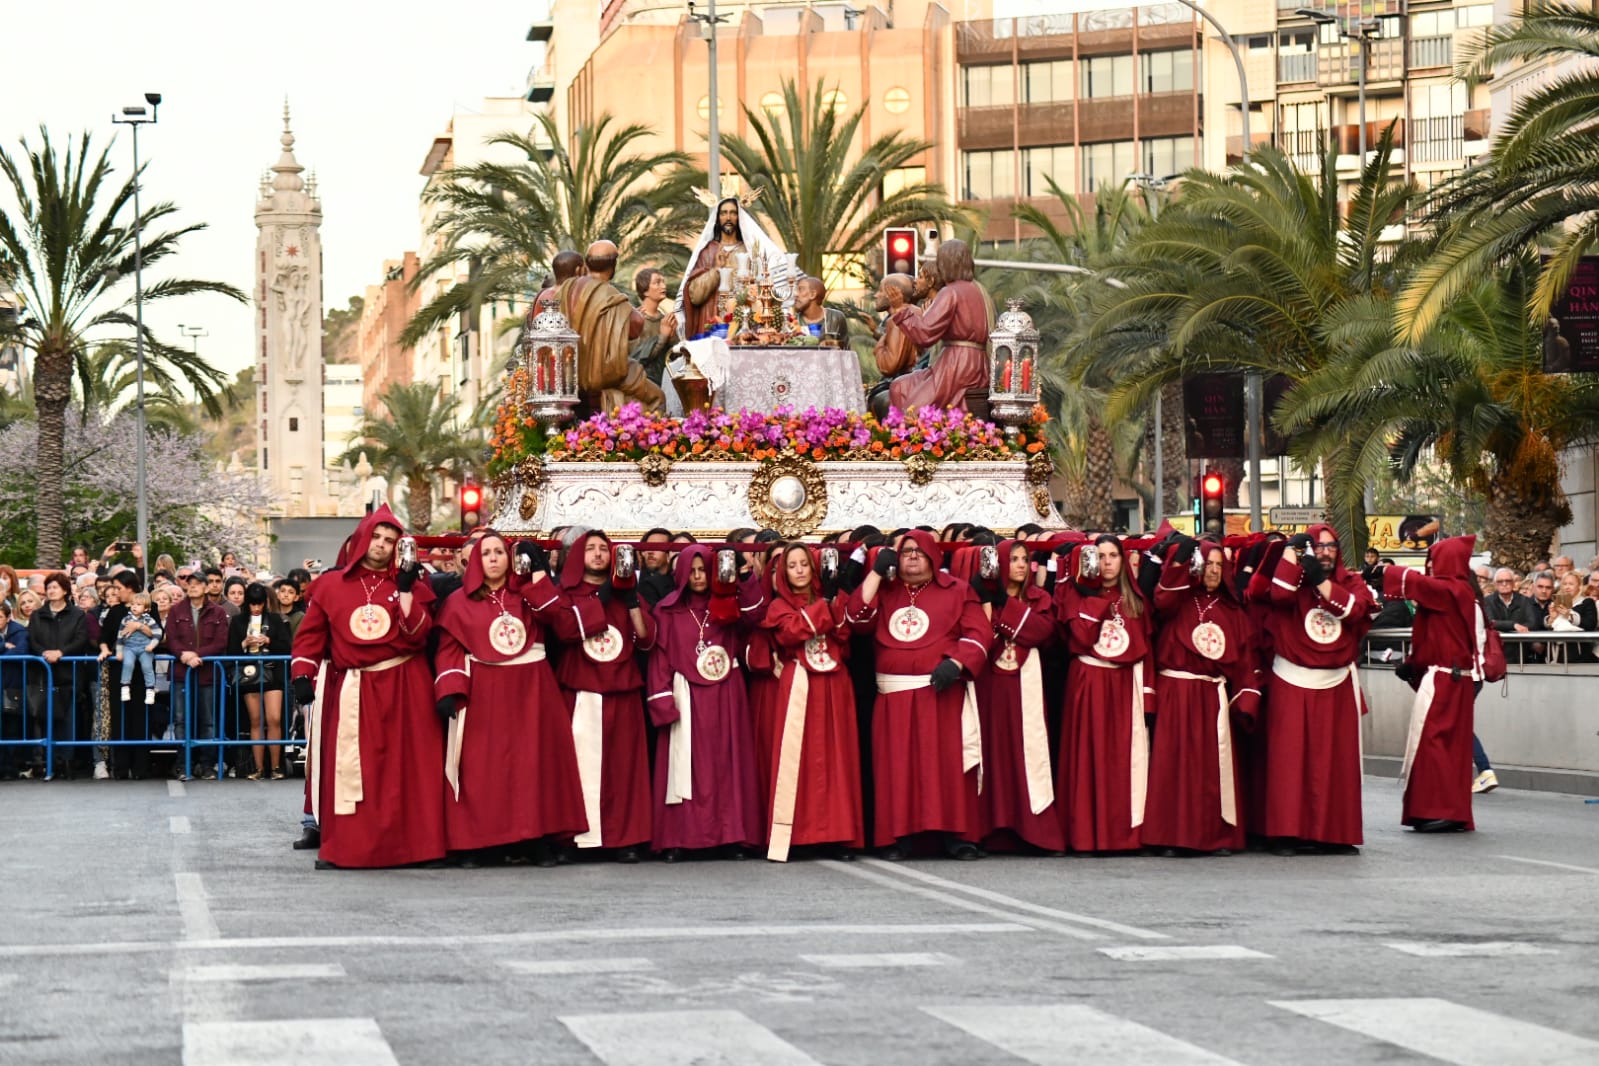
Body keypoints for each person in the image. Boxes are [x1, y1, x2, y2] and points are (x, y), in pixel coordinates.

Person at [289, 506, 445, 869]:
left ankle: (414, 848)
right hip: (354, 688)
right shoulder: (330, 585)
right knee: (353, 770)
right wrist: (302, 675)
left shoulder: (412, 587)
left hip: (405, 685)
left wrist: (406, 591)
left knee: (406, 772)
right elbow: (310, 637)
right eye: (376, 537)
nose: (381, 545)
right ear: (362, 539)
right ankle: (350, 846)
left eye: (390, 541)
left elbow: (417, 635)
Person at [432, 532, 600, 864]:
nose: (493, 558)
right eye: (486, 553)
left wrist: (539, 574)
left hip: (531, 689)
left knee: (533, 765)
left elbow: (556, 618)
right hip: (484, 691)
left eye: (499, 552)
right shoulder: (458, 602)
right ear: (475, 562)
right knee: (484, 769)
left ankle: (535, 838)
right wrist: (450, 689)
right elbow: (449, 649)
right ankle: (484, 842)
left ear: (509, 559)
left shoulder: (527, 594)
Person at [847, 529, 992, 860]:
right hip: (894, 698)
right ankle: (897, 838)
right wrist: (874, 573)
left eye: (919, 551)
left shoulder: (957, 591)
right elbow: (855, 618)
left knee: (947, 769)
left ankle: (957, 837)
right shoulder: (885, 590)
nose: (911, 556)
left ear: (934, 557)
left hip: (939, 694)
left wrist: (956, 663)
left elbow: (979, 632)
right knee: (897, 770)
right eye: (906, 551)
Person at [1249, 525, 1377, 855]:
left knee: (1336, 765)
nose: (1323, 552)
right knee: (1289, 763)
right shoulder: (1295, 582)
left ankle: (1333, 833)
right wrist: (1291, 555)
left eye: (1329, 546)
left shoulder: (1351, 583)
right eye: (1316, 547)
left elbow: (1356, 611)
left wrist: (1322, 583)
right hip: (1292, 678)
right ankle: (1287, 833)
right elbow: (1277, 594)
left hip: (1335, 683)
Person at [645, 545, 764, 861]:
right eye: (692, 571)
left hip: (727, 695)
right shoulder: (666, 611)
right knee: (686, 769)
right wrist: (662, 700)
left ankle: (732, 836)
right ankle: (679, 837)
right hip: (687, 698)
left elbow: (756, 617)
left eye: (704, 570)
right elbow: (660, 659)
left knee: (728, 767)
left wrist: (745, 578)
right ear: (682, 574)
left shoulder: (726, 606)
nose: (698, 577)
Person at [1145, 537, 1261, 855]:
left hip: (1212, 695)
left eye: (1218, 566)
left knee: (1210, 772)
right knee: (1173, 767)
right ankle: (1170, 835)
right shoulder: (1178, 601)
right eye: (1207, 564)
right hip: (1175, 693)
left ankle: (1215, 836)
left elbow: (1246, 660)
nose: (1212, 571)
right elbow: (1162, 597)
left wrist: (1248, 701)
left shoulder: (1233, 612)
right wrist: (1182, 559)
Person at [553, 528, 656, 862]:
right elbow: (566, 629)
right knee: (577, 769)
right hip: (582, 688)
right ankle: (577, 838)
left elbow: (646, 639)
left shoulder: (628, 592)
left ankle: (623, 838)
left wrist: (630, 602)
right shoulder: (567, 593)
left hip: (622, 689)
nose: (598, 554)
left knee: (625, 769)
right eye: (591, 548)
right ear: (578, 555)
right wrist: (602, 597)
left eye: (603, 549)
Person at [758, 543, 864, 861]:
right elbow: (791, 633)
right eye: (793, 565)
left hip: (834, 683)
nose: (800, 570)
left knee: (838, 759)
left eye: (805, 563)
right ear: (783, 572)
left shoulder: (828, 597)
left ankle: (839, 834)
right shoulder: (777, 607)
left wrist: (837, 599)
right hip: (800, 682)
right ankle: (799, 834)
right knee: (797, 759)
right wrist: (827, 606)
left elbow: (845, 636)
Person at [1379, 537, 1491, 833]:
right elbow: (1431, 639)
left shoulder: (1455, 591)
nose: (1430, 566)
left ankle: (1445, 810)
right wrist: (1413, 666)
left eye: (1434, 559)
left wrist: (1383, 572)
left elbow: (1419, 585)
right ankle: (1428, 809)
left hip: (1450, 680)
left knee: (1437, 744)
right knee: (1434, 746)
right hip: (1444, 677)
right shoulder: (1451, 593)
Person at [1055, 535, 1155, 854]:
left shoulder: (1135, 601)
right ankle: (1085, 834)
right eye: (1101, 556)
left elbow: (1146, 652)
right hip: (1089, 682)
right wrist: (1090, 594)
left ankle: (1120, 835)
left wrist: (1149, 698)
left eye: (1113, 555)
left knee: (1120, 761)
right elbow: (1081, 636)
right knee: (1087, 757)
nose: (1108, 562)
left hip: (1123, 688)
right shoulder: (1075, 594)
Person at [970, 539, 1062, 854]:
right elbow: (981, 637)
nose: (1021, 565)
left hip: (1025, 688)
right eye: (1015, 559)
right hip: (991, 689)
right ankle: (987, 829)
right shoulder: (982, 599)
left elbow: (1040, 632)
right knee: (991, 751)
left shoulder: (1040, 598)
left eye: (1025, 559)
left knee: (1027, 754)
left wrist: (1004, 607)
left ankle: (1032, 830)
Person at [879, 239, 992, 416]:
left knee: (913, 412)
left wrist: (901, 309)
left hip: (957, 365)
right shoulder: (976, 291)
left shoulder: (950, 292)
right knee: (900, 386)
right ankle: (900, 438)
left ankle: (917, 440)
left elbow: (925, 334)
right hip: (970, 362)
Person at [558, 240, 664, 413]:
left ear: (587, 263)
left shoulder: (567, 288)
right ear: (613, 265)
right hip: (603, 374)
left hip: (569, 372)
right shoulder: (611, 295)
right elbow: (636, 326)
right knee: (658, 398)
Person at [679, 196, 791, 341]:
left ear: (739, 218)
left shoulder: (751, 251)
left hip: (746, 325)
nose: (728, 217)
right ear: (718, 218)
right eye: (723, 213)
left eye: (733, 213)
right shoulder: (708, 252)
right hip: (714, 324)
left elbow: (765, 288)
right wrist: (716, 270)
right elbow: (694, 296)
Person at [27, 573, 93, 779]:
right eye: (49, 587)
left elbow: (81, 639)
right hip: (43, 674)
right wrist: (44, 654)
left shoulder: (77, 615)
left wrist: (61, 653)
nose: (51, 591)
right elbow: (33, 640)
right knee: (44, 718)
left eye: (55, 587)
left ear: (65, 590)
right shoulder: (37, 615)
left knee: (68, 719)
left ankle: (66, 761)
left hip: (68, 674)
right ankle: (48, 761)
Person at [165, 571, 231, 781]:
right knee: (181, 720)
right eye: (189, 583)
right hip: (182, 672)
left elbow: (221, 642)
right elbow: (172, 639)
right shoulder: (176, 610)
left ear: (205, 588)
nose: (192, 587)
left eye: (197, 584)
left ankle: (207, 765)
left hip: (207, 673)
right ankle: (184, 764)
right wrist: (184, 655)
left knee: (208, 721)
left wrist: (197, 655)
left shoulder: (218, 612)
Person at [228, 583, 292, 780]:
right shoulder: (238, 622)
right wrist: (244, 643)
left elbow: (287, 647)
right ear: (247, 603)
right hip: (249, 674)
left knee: (274, 719)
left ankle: (275, 767)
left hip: (273, 673)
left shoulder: (275, 619)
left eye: (260, 604)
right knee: (255, 721)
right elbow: (230, 652)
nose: (256, 608)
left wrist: (269, 641)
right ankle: (257, 768)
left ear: (265, 603)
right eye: (253, 604)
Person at [0, 601, 32, 779]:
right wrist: (4, 646)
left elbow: (21, 650)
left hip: (12, 686)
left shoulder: (18, 631)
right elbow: (11, 650)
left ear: (7, 617)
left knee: (12, 727)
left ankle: (10, 767)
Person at [632, 267, 679, 387]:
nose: (663, 286)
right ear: (645, 290)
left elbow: (674, 356)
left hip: (665, 380)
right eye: (657, 282)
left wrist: (672, 337)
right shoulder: (636, 319)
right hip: (643, 383)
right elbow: (638, 358)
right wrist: (663, 336)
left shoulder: (664, 319)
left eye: (663, 282)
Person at [115, 591, 162, 708]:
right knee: (128, 664)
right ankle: (125, 686)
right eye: (133, 604)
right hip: (129, 647)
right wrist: (119, 651)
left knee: (147, 666)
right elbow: (120, 636)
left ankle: (150, 689)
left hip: (144, 648)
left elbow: (158, 633)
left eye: (138, 604)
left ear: (146, 609)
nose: (134, 606)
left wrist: (152, 645)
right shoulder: (125, 619)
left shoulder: (149, 620)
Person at [872, 274, 920, 381]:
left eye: (880, 290)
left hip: (907, 382)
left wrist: (879, 348)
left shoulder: (897, 319)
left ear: (892, 292)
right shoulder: (916, 311)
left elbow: (888, 366)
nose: (876, 295)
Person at [792, 276, 849, 346]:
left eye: (801, 289)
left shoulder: (836, 317)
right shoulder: (792, 321)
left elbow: (846, 350)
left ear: (813, 294)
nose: (796, 294)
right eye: (796, 290)